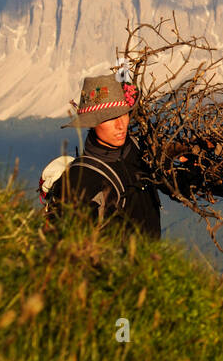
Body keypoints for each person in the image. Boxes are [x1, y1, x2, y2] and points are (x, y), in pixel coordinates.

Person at [44, 72, 198, 240]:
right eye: (110, 118)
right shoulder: (80, 180)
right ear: (92, 123)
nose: (120, 125)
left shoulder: (140, 148)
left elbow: (176, 188)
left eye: (123, 114)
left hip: (152, 262)